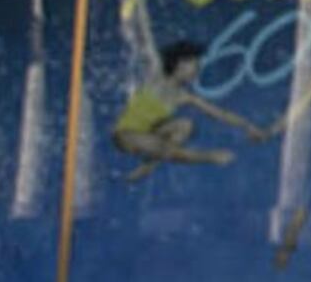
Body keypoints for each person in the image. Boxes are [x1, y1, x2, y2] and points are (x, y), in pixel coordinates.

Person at [112, 38, 268, 180]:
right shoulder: (155, 75)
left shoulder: (183, 96)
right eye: (195, 64)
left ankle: (150, 164)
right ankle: (207, 157)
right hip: (126, 136)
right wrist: (210, 156)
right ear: (180, 64)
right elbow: (146, 38)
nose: (198, 69)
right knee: (165, 148)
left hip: (150, 134)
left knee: (186, 125)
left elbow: (220, 114)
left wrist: (248, 126)